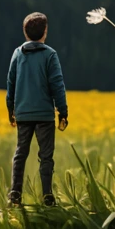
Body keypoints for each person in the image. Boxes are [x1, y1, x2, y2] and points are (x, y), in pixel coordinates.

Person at [6, 11, 68, 206]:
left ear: (25, 32)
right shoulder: (50, 55)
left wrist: (11, 109)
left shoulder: (17, 53)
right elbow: (57, 84)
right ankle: (47, 195)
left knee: (20, 153)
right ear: (45, 32)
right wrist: (62, 111)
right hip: (44, 115)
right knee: (46, 156)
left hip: (23, 113)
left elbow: (11, 83)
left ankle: (15, 193)